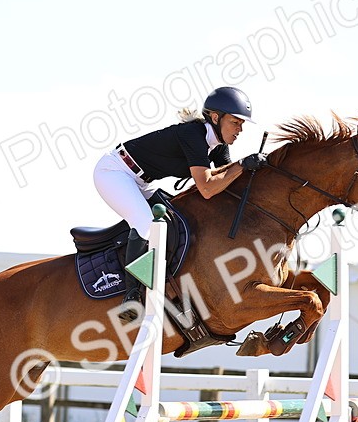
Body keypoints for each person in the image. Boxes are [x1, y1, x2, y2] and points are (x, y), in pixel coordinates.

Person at [92, 86, 267, 318]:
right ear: (216, 118)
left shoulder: (217, 145)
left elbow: (227, 180)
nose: (240, 129)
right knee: (148, 227)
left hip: (143, 181)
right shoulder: (193, 135)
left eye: (241, 124)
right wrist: (242, 165)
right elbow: (206, 187)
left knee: (177, 223)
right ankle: (131, 296)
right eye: (235, 122)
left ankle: (167, 287)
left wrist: (256, 173)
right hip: (114, 172)